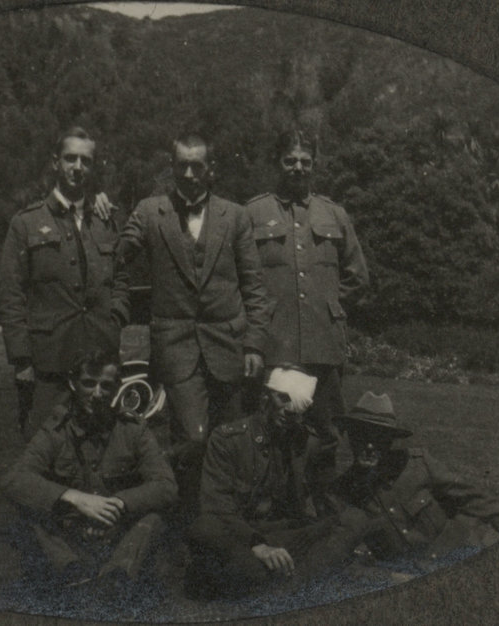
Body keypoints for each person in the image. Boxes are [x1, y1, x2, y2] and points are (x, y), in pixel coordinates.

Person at [115, 134, 271, 503]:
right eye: (181, 165)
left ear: (210, 169)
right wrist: (100, 212)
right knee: (194, 437)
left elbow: (255, 288)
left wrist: (254, 344)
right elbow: (116, 256)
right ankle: (185, 518)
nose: (188, 173)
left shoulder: (235, 216)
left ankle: (228, 522)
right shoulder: (151, 212)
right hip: (177, 348)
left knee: (231, 439)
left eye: (196, 165)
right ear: (171, 168)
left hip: (229, 348)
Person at [245, 129, 369, 499]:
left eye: (305, 161)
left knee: (326, 434)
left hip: (323, 345)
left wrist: (328, 305)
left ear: (314, 165)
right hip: (273, 341)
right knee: (268, 431)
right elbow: (239, 275)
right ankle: (271, 508)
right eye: (290, 160)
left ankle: (324, 510)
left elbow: (357, 277)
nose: (298, 168)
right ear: (277, 163)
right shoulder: (253, 213)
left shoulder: (334, 213)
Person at [185, 366, 372, 598]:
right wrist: (258, 546)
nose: (287, 410)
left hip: (286, 536)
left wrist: (359, 475)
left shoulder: (305, 442)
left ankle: (284, 586)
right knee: (204, 529)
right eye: (281, 398)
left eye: (295, 406)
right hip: (241, 537)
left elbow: (324, 500)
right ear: (265, 396)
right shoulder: (228, 439)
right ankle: (300, 581)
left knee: (355, 519)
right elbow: (216, 508)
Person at [1, 350, 178, 590]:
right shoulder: (55, 431)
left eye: (106, 386)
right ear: (73, 384)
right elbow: (15, 480)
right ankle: (72, 572)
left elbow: (166, 486)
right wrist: (75, 498)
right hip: (71, 532)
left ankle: (117, 576)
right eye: (88, 383)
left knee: (155, 517)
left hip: (119, 531)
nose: (97, 393)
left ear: (116, 389)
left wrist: (119, 503)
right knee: (29, 509)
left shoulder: (134, 430)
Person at [0, 127, 128, 440]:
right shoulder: (26, 223)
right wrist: (22, 359)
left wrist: (116, 318)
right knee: (44, 443)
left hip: (99, 355)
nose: (78, 167)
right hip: (48, 361)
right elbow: (11, 294)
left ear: (93, 167)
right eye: (70, 158)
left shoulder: (106, 219)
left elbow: (121, 276)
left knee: (99, 443)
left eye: (86, 160)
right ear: (56, 162)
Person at [332, 391, 499, 574]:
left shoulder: (418, 465)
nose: (370, 446)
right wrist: (389, 578)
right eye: (362, 436)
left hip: (460, 557)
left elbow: (483, 504)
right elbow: (340, 559)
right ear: (351, 438)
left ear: (389, 441)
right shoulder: (344, 491)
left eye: (378, 437)